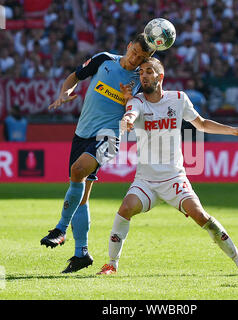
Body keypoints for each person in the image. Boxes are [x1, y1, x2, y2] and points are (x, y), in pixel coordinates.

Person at [97, 57, 238, 276]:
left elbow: (201, 124)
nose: (144, 76)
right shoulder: (137, 101)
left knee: (201, 216)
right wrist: (127, 120)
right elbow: (131, 113)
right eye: (141, 73)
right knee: (126, 208)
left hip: (174, 178)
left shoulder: (178, 99)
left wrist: (233, 130)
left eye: (149, 71)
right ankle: (111, 264)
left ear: (160, 76)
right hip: (146, 180)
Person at [40, 33, 154, 273]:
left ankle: (61, 228)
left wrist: (128, 100)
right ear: (128, 45)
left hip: (109, 136)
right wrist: (64, 93)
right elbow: (75, 76)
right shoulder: (104, 59)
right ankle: (81, 253)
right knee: (81, 193)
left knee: (78, 170)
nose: (135, 59)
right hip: (82, 134)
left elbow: (141, 107)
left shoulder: (140, 79)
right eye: (134, 52)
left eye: (141, 57)